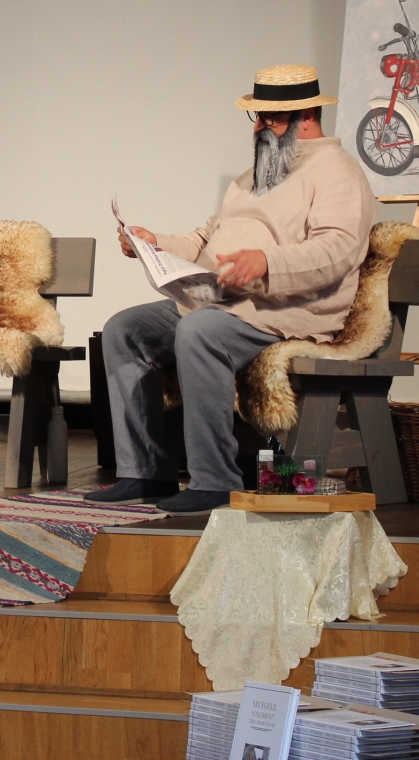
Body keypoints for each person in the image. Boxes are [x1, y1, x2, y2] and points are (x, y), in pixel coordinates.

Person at [86, 64, 377, 515]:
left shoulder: (338, 172)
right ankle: (145, 470)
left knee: (200, 331)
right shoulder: (254, 176)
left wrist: (267, 262)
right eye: (256, 116)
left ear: (305, 117)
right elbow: (207, 239)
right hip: (222, 300)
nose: (258, 127)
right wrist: (155, 242)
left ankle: (215, 479)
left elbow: (336, 250)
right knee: (125, 329)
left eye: (270, 118)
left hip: (286, 308)